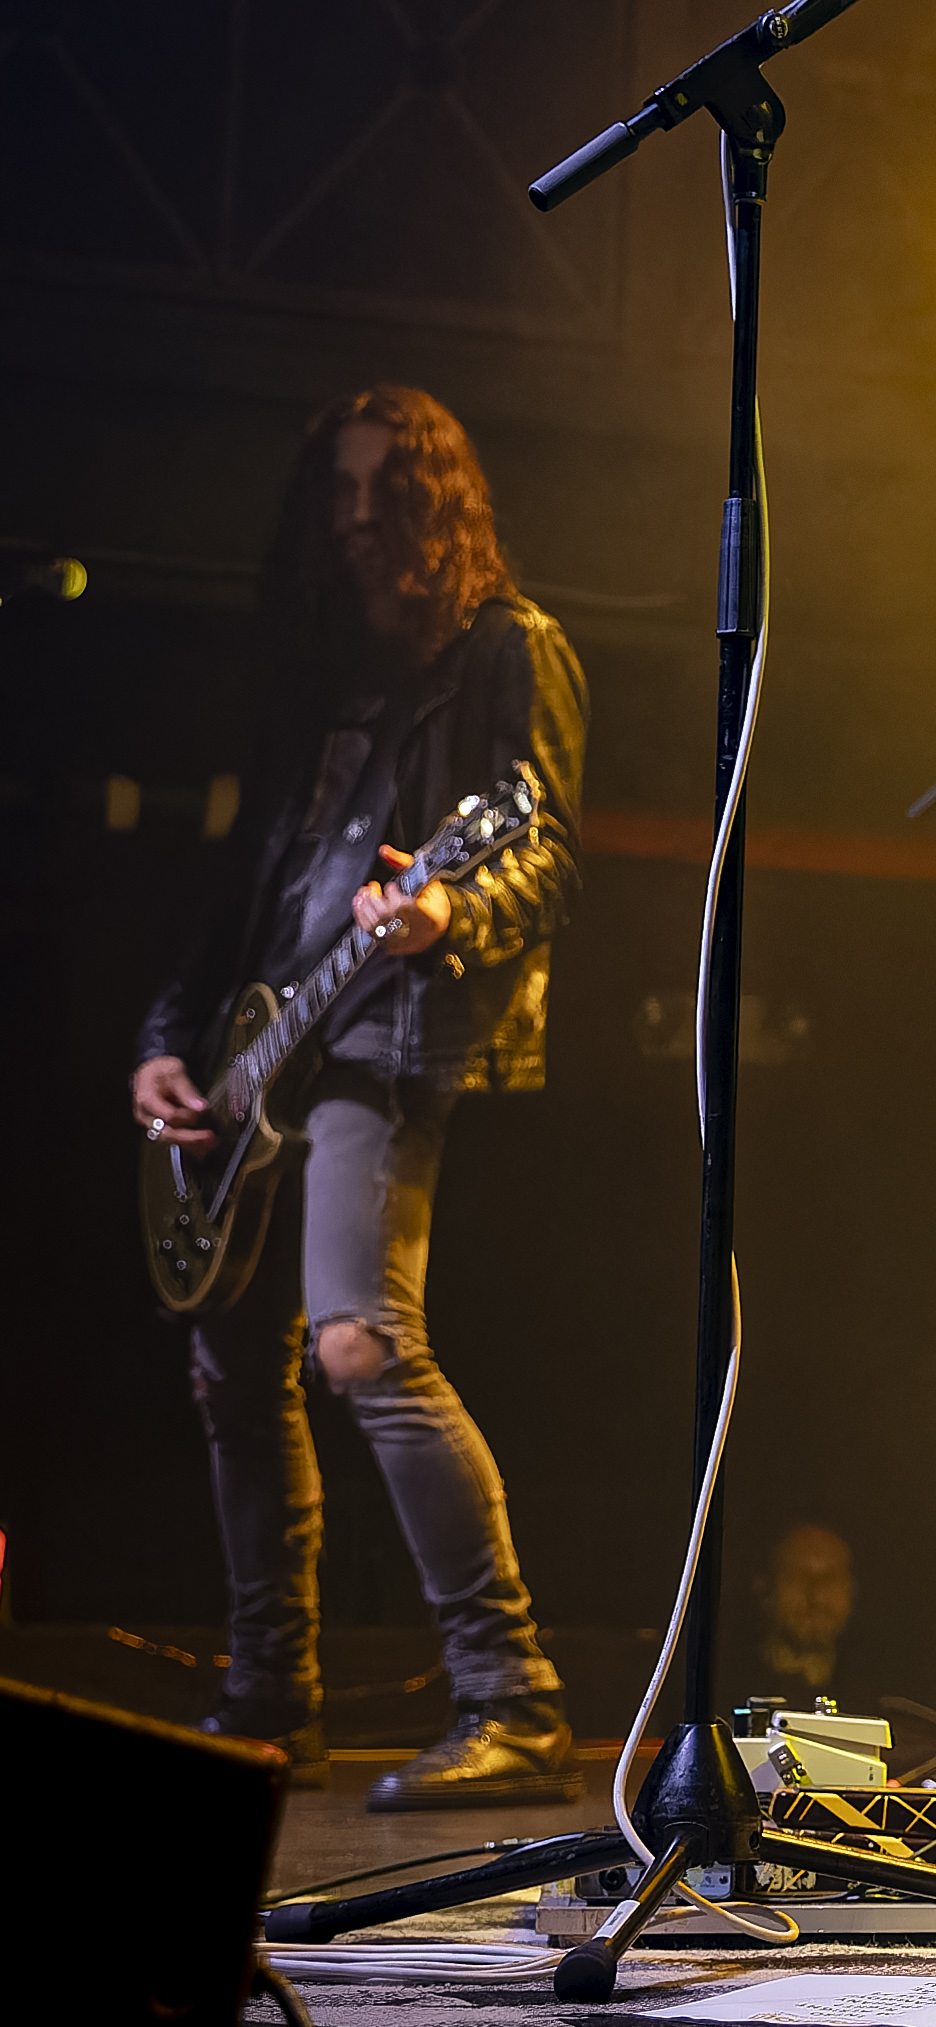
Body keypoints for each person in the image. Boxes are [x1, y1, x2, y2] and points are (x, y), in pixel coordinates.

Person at [133, 389, 588, 1808]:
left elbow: (548, 854)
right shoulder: (318, 674)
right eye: (334, 491)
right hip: (256, 1041)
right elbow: (236, 892)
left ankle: (512, 1698)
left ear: (440, 502)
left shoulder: (509, 646)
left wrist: (449, 910)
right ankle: (271, 1697)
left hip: (386, 1033)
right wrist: (164, 1042)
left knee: (359, 1345)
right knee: (232, 1370)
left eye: (385, 490)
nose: (353, 517)